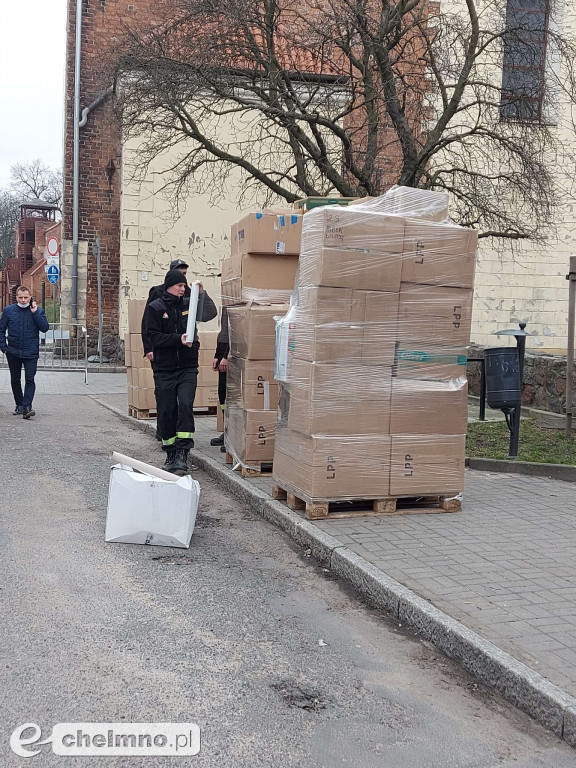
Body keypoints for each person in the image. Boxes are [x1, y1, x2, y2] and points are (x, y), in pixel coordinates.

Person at [144, 269, 217, 474]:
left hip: (187, 367)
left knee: (185, 404)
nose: (182, 289)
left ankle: (183, 455)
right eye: (180, 286)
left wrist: (202, 293)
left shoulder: (189, 305)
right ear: (169, 286)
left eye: (185, 286)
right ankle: (170, 453)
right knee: (166, 410)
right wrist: (178, 339)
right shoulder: (156, 307)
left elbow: (210, 313)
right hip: (164, 368)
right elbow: (154, 337)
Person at [0, 285, 50, 419]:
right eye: (20, 297)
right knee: (15, 379)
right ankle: (19, 404)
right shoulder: (8, 311)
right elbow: (1, 329)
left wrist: (35, 313)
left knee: (30, 378)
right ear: (16, 297)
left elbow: (45, 328)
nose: (23, 300)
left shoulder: (38, 311)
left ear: (30, 297)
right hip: (13, 351)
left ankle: (27, 406)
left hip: (31, 352)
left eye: (26, 297)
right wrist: (4, 347)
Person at [141, 259, 190, 361]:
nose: (182, 276)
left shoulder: (188, 292)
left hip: (184, 349)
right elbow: (147, 320)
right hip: (162, 347)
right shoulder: (157, 292)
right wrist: (148, 347)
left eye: (184, 273)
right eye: (179, 273)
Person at [210, 306, 229, 450]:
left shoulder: (237, 307)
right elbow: (223, 334)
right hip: (223, 357)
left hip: (231, 359)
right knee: (222, 397)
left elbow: (237, 334)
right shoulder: (226, 306)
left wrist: (226, 356)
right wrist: (218, 355)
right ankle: (228, 431)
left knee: (231, 398)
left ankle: (232, 436)